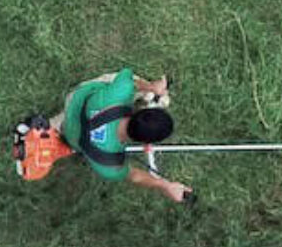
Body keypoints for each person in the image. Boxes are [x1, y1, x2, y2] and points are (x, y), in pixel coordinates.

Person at [61, 68, 190, 203]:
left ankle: (149, 94)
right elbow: (134, 176)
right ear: (145, 143)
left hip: (77, 100)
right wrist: (166, 186)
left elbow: (129, 80)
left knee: (121, 81)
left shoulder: (119, 93)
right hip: (73, 138)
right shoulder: (110, 164)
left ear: (139, 112)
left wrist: (152, 87)